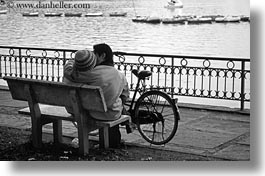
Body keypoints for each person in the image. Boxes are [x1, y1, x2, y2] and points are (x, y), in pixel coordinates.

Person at [63, 43, 129, 148]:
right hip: (110, 113)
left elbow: (70, 73)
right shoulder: (120, 75)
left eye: (95, 54)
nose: (93, 57)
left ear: (102, 56)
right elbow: (125, 96)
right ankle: (113, 143)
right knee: (116, 103)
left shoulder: (91, 73)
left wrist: (72, 62)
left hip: (89, 112)